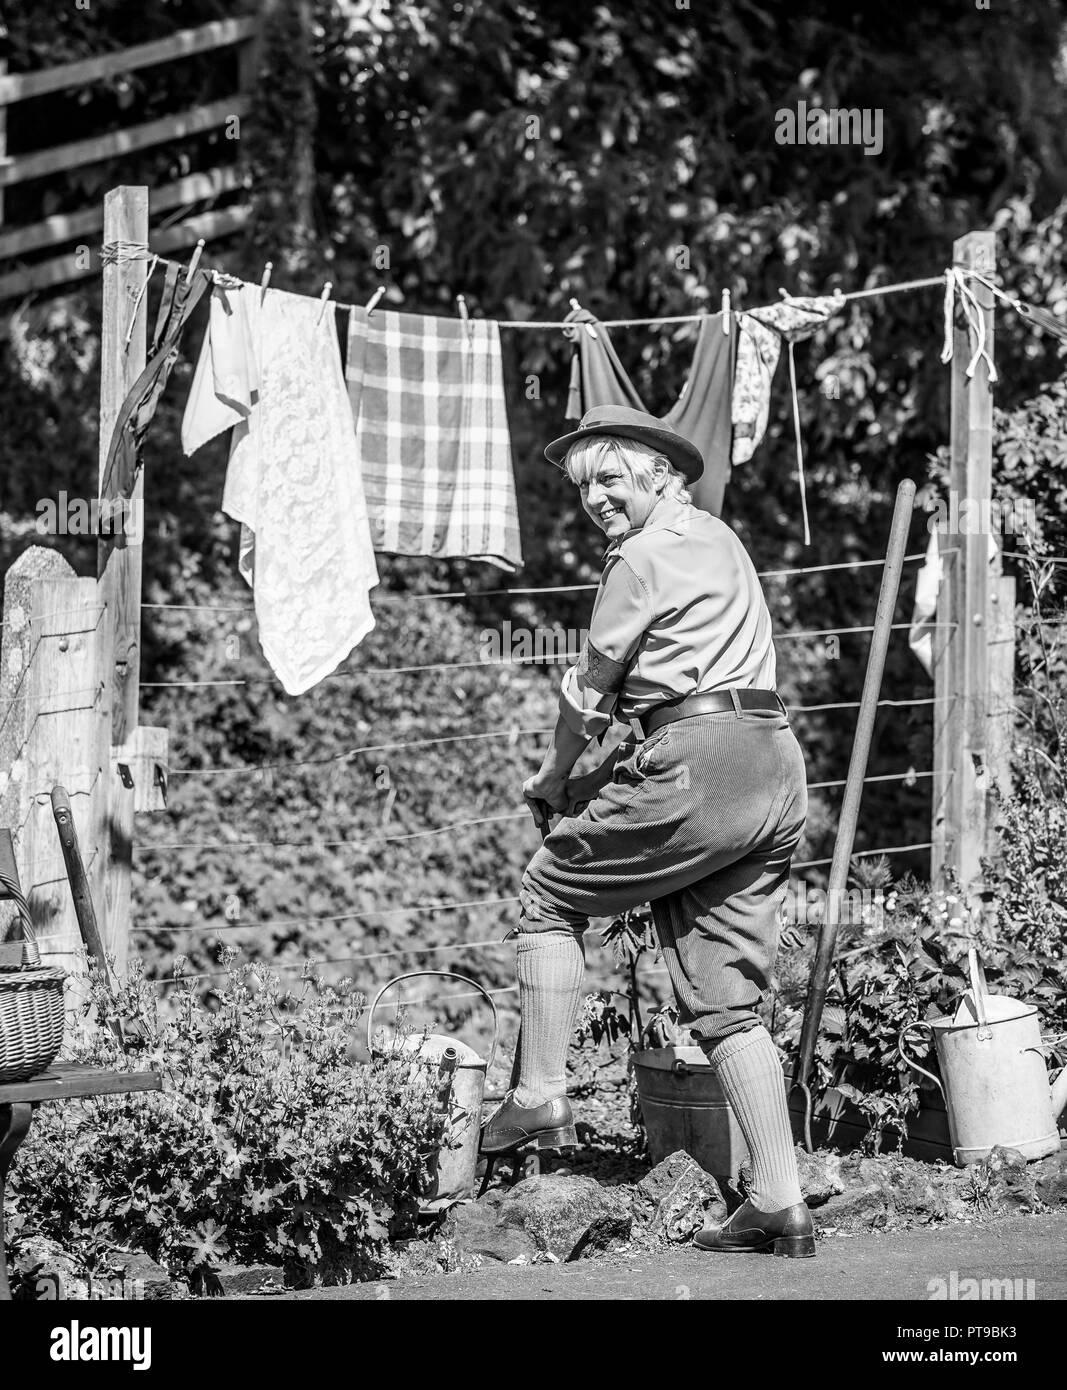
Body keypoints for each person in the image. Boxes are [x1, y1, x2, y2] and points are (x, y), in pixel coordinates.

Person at [479, 404, 814, 1257]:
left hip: (700, 765)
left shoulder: (637, 559)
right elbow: (671, 682)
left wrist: (555, 778)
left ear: (661, 475)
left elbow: (587, 693)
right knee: (723, 995)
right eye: (584, 486)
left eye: (610, 480)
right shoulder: (720, 540)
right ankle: (777, 1198)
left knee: (549, 894)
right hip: (772, 763)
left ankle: (541, 1092)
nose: (595, 499)